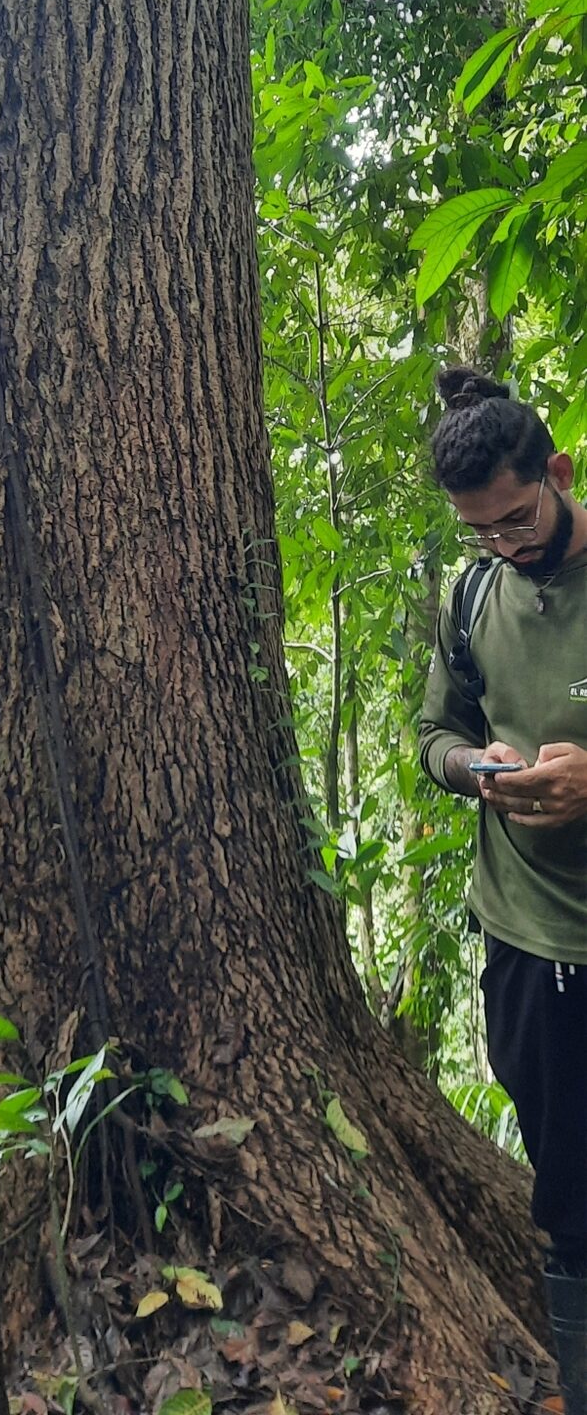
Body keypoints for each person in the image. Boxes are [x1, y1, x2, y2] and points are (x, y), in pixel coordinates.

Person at [420, 368, 587, 1415]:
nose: (506, 544)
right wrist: (475, 769)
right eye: (481, 531)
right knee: (567, 1196)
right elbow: (434, 731)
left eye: (517, 520)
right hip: (526, 942)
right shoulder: (471, 593)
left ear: (557, 474)